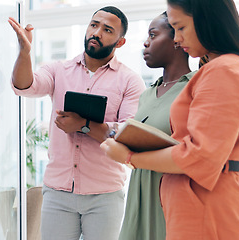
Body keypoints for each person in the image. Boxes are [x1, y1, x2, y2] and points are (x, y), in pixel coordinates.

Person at [101, 0, 239, 239]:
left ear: (204, 20)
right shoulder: (220, 69)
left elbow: (200, 156)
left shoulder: (224, 71)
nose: (177, 39)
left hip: (208, 210)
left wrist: (129, 158)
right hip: (197, 208)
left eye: (181, 27)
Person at [8, 6, 146, 240]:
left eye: (107, 29)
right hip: (58, 193)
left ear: (120, 42)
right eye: (94, 25)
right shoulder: (58, 70)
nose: (97, 32)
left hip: (105, 195)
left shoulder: (130, 81)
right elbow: (24, 86)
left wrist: (83, 125)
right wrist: (24, 52)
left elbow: (127, 133)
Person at [119, 12, 194, 240]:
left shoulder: (195, 88)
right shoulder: (147, 94)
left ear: (177, 40)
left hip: (172, 197)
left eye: (153, 34)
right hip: (137, 195)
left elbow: (195, 152)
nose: (145, 42)